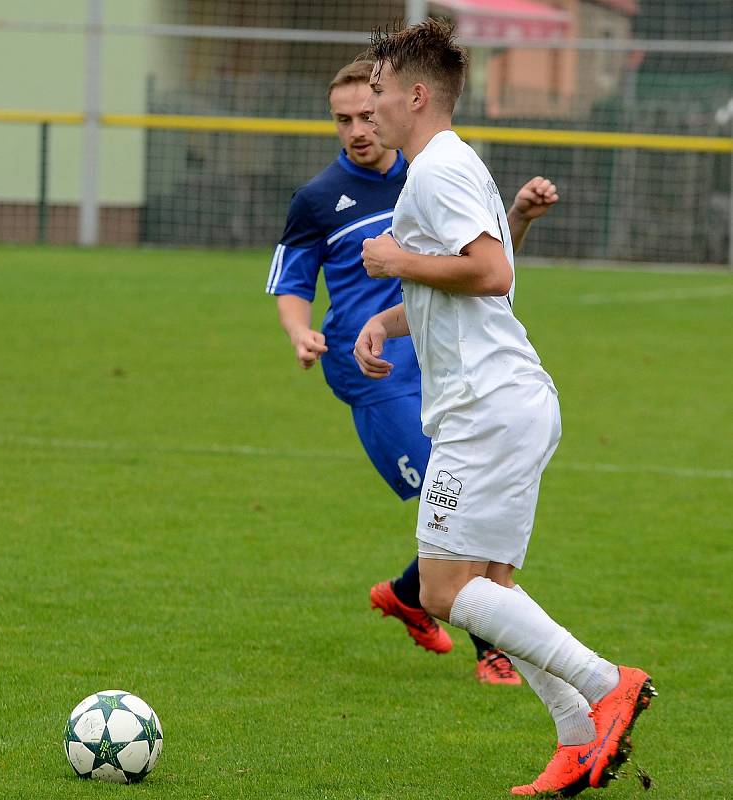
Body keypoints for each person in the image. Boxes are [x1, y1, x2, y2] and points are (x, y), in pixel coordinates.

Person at [353, 20, 656, 797]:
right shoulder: (447, 166)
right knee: (491, 585)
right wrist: (384, 321)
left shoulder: (437, 170)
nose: (371, 103)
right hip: (505, 401)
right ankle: (577, 736)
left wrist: (391, 260)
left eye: (381, 91)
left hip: (485, 409)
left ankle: (606, 681)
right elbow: (480, 276)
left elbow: (487, 272)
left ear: (416, 96)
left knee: (446, 589)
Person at [266, 59, 559, 686]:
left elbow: (482, 271)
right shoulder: (319, 199)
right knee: (448, 503)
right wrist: (300, 331)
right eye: (343, 120)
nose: (358, 130)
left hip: (446, 364)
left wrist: (520, 219)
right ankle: (493, 650)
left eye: (368, 114)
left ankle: (408, 596)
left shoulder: (430, 170)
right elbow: (291, 284)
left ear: (399, 105)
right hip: (374, 376)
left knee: (456, 517)